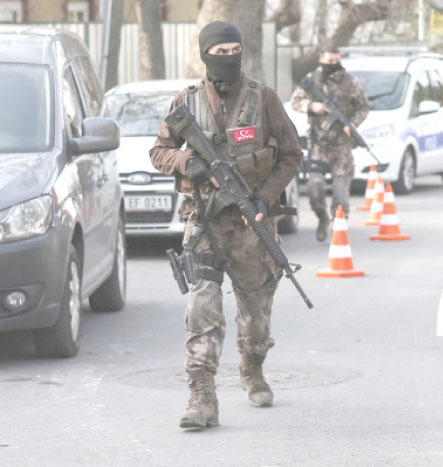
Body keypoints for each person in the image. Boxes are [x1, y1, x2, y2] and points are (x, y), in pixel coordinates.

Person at [149, 21, 302, 429]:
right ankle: (202, 395)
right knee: (202, 305)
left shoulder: (263, 98)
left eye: (234, 49)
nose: (228, 57)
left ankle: (252, 367)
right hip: (204, 223)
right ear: (205, 55)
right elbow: (159, 151)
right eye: (219, 52)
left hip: (253, 225)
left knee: (256, 315)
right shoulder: (188, 101)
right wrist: (188, 162)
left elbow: (291, 155)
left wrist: (263, 198)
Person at [291, 47, 369, 241]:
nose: (333, 64)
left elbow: (363, 107)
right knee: (314, 188)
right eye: (329, 60)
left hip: (342, 145)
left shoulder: (350, 82)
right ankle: (323, 218)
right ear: (321, 59)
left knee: (341, 192)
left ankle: (339, 227)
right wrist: (311, 106)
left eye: (336, 61)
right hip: (318, 143)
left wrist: (353, 124)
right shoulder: (312, 80)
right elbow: (295, 101)